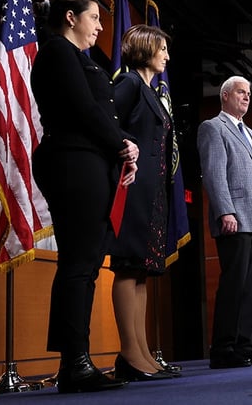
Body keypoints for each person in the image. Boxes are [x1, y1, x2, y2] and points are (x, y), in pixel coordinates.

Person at [30, 0, 138, 393]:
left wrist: (123, 143)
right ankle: (74, 363)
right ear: (71, 17)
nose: (99, 26)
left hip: (88, 160)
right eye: (94, 17)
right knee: (79, 264)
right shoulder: (58, 51)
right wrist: (121, 143)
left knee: (86, 264)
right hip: (74, 161)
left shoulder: (78, 57)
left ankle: (74, 362)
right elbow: (84, 109)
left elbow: (98, 114)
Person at [109, 24, 176, 381]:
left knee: (143, 272)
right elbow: (107, 120)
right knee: (128, 266)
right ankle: (129, 354)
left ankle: (143, 352)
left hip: (153, 192)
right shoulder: (130, 82)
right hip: (132, 187)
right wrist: (123, 144)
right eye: (162, 48)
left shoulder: (151, 90)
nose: (166, 55)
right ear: (146, 49)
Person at [198, 75, 252, 369]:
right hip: (234, 218)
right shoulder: (212, 128)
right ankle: (223, 348)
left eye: (248, 93)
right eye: (241, 92)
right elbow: (214, 173)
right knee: (234, 286)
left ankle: (245, 345)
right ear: (225, 96)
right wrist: (225, 211)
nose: (246, 97)